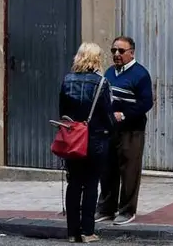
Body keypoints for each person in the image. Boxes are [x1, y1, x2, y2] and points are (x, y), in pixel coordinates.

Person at [59, 42, 114, 243]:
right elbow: (107, 114)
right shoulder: (102, 83)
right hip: (95, 139)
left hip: (73, 138)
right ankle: (87, 231)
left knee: (74, 183)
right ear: (96, 59)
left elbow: (62, 112)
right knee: (91, 184)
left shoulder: (67, 81)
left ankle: (72, 232)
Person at [95, 36, 153, 226]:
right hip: (110, 129)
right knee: (107, 169)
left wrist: (125, 115)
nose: (117, 55)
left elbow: (146, 103)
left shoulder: (140, 74)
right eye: (113, 51)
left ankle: (127, 211)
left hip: (131, 130)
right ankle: (105, 208)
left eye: (121, 51)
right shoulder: (110, 72)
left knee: (129, 170)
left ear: (131, 52)